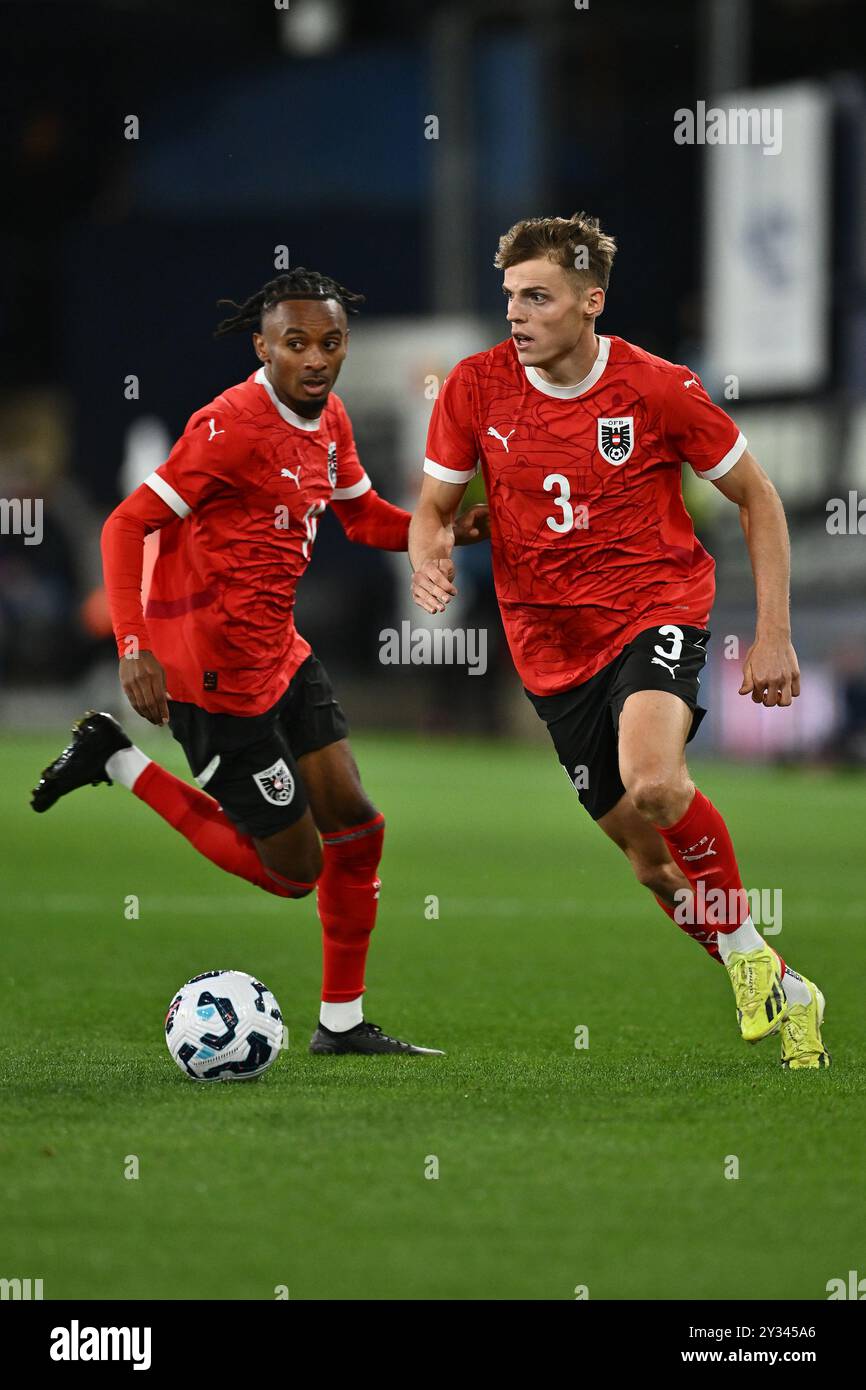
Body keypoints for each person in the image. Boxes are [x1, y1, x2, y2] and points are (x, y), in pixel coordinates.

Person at [408, 213, 829, 1069]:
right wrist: (429, 559)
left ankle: (746, 953)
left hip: (654, 607)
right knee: (649, 865)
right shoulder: (475, 388)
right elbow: (433, 508)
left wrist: (773, 634)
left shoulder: (658, 387)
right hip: (548, 646)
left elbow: (760, 498)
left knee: (654, 783)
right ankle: (788, 988)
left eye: (538, 297)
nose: (516, 314)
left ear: (590, 301)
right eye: (510, 298)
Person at [32, 268, 487, 1056]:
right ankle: (116, 761)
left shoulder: (332, 419)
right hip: (213, 680)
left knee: (358, 825)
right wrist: (133, 648)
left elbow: (362, 519)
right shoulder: (229, 428)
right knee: (294, 871)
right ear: (264, 346)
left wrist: (442, 529)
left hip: (282, 654)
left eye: (331, 342)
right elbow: (124, 524)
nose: (316, 358)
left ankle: (341, 1025)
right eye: (297, 343)